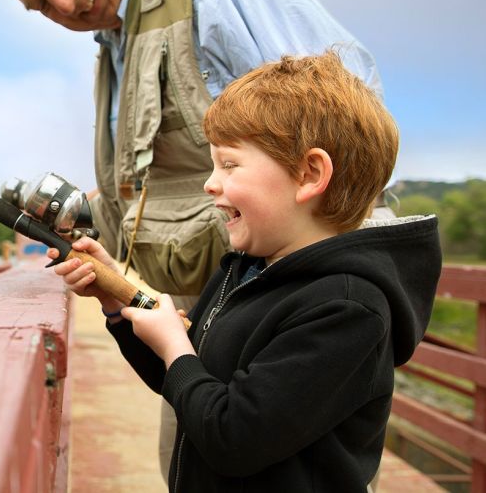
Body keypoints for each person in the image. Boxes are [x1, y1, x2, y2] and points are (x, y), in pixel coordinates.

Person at [0, 0, 385, 474]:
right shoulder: (112, 41)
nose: (63, 3)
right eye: (39, 4)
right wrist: (119, 292)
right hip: (218, 300)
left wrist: (307, 267)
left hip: (278, 296)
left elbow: (347, 106)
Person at [48, 52, 441, 492]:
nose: (209, 183)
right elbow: (185, 382)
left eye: (229, 164)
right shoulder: (246, 269)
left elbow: (233, 437)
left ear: (309, 174)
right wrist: (118, 300)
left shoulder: (346, 308)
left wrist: (176, 346)